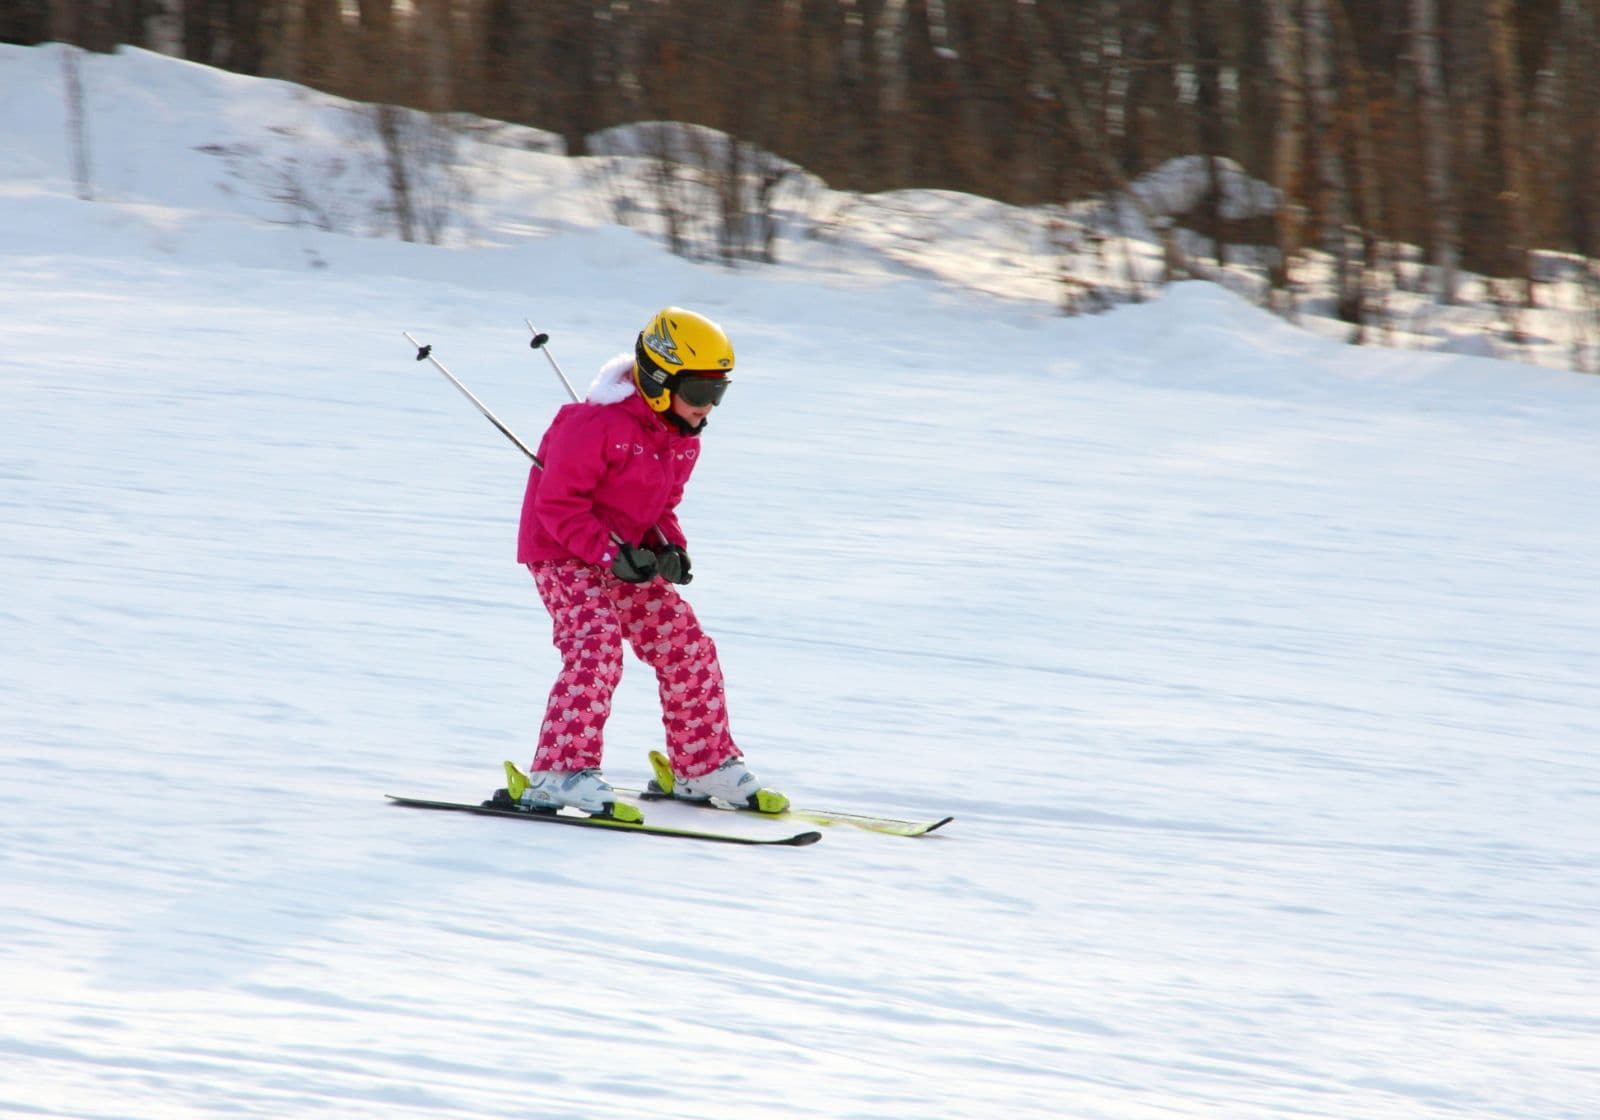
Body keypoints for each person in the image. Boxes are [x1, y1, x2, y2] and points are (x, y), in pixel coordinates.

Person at [508, 307, 787, 821]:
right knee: (596, 647)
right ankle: (557, 773)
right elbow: (558, 506)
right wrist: (612, 554)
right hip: (562, 553)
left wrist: (669, 549)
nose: (708, 408)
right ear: (660, 381)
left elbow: (660, 509)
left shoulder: (680, 442)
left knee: (686, 645)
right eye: (700, 393)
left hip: (625, 558)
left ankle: (701, 764)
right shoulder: (590, 426)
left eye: (717, 394)